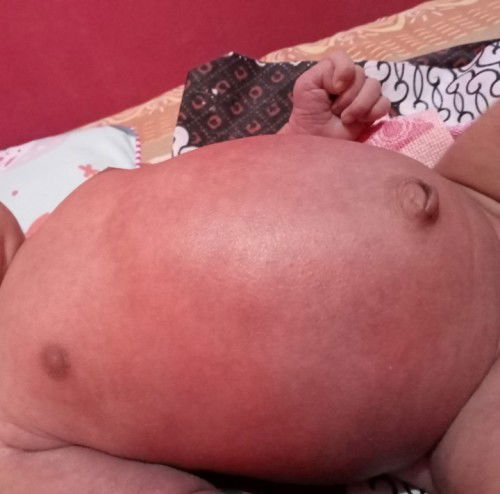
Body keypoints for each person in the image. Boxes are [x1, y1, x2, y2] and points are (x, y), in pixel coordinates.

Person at [0, 50, 499, 494]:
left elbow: (221, 192)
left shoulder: (69, 207)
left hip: (477, 193)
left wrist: (304, 139)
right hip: (468, 395)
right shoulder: (11, 427)